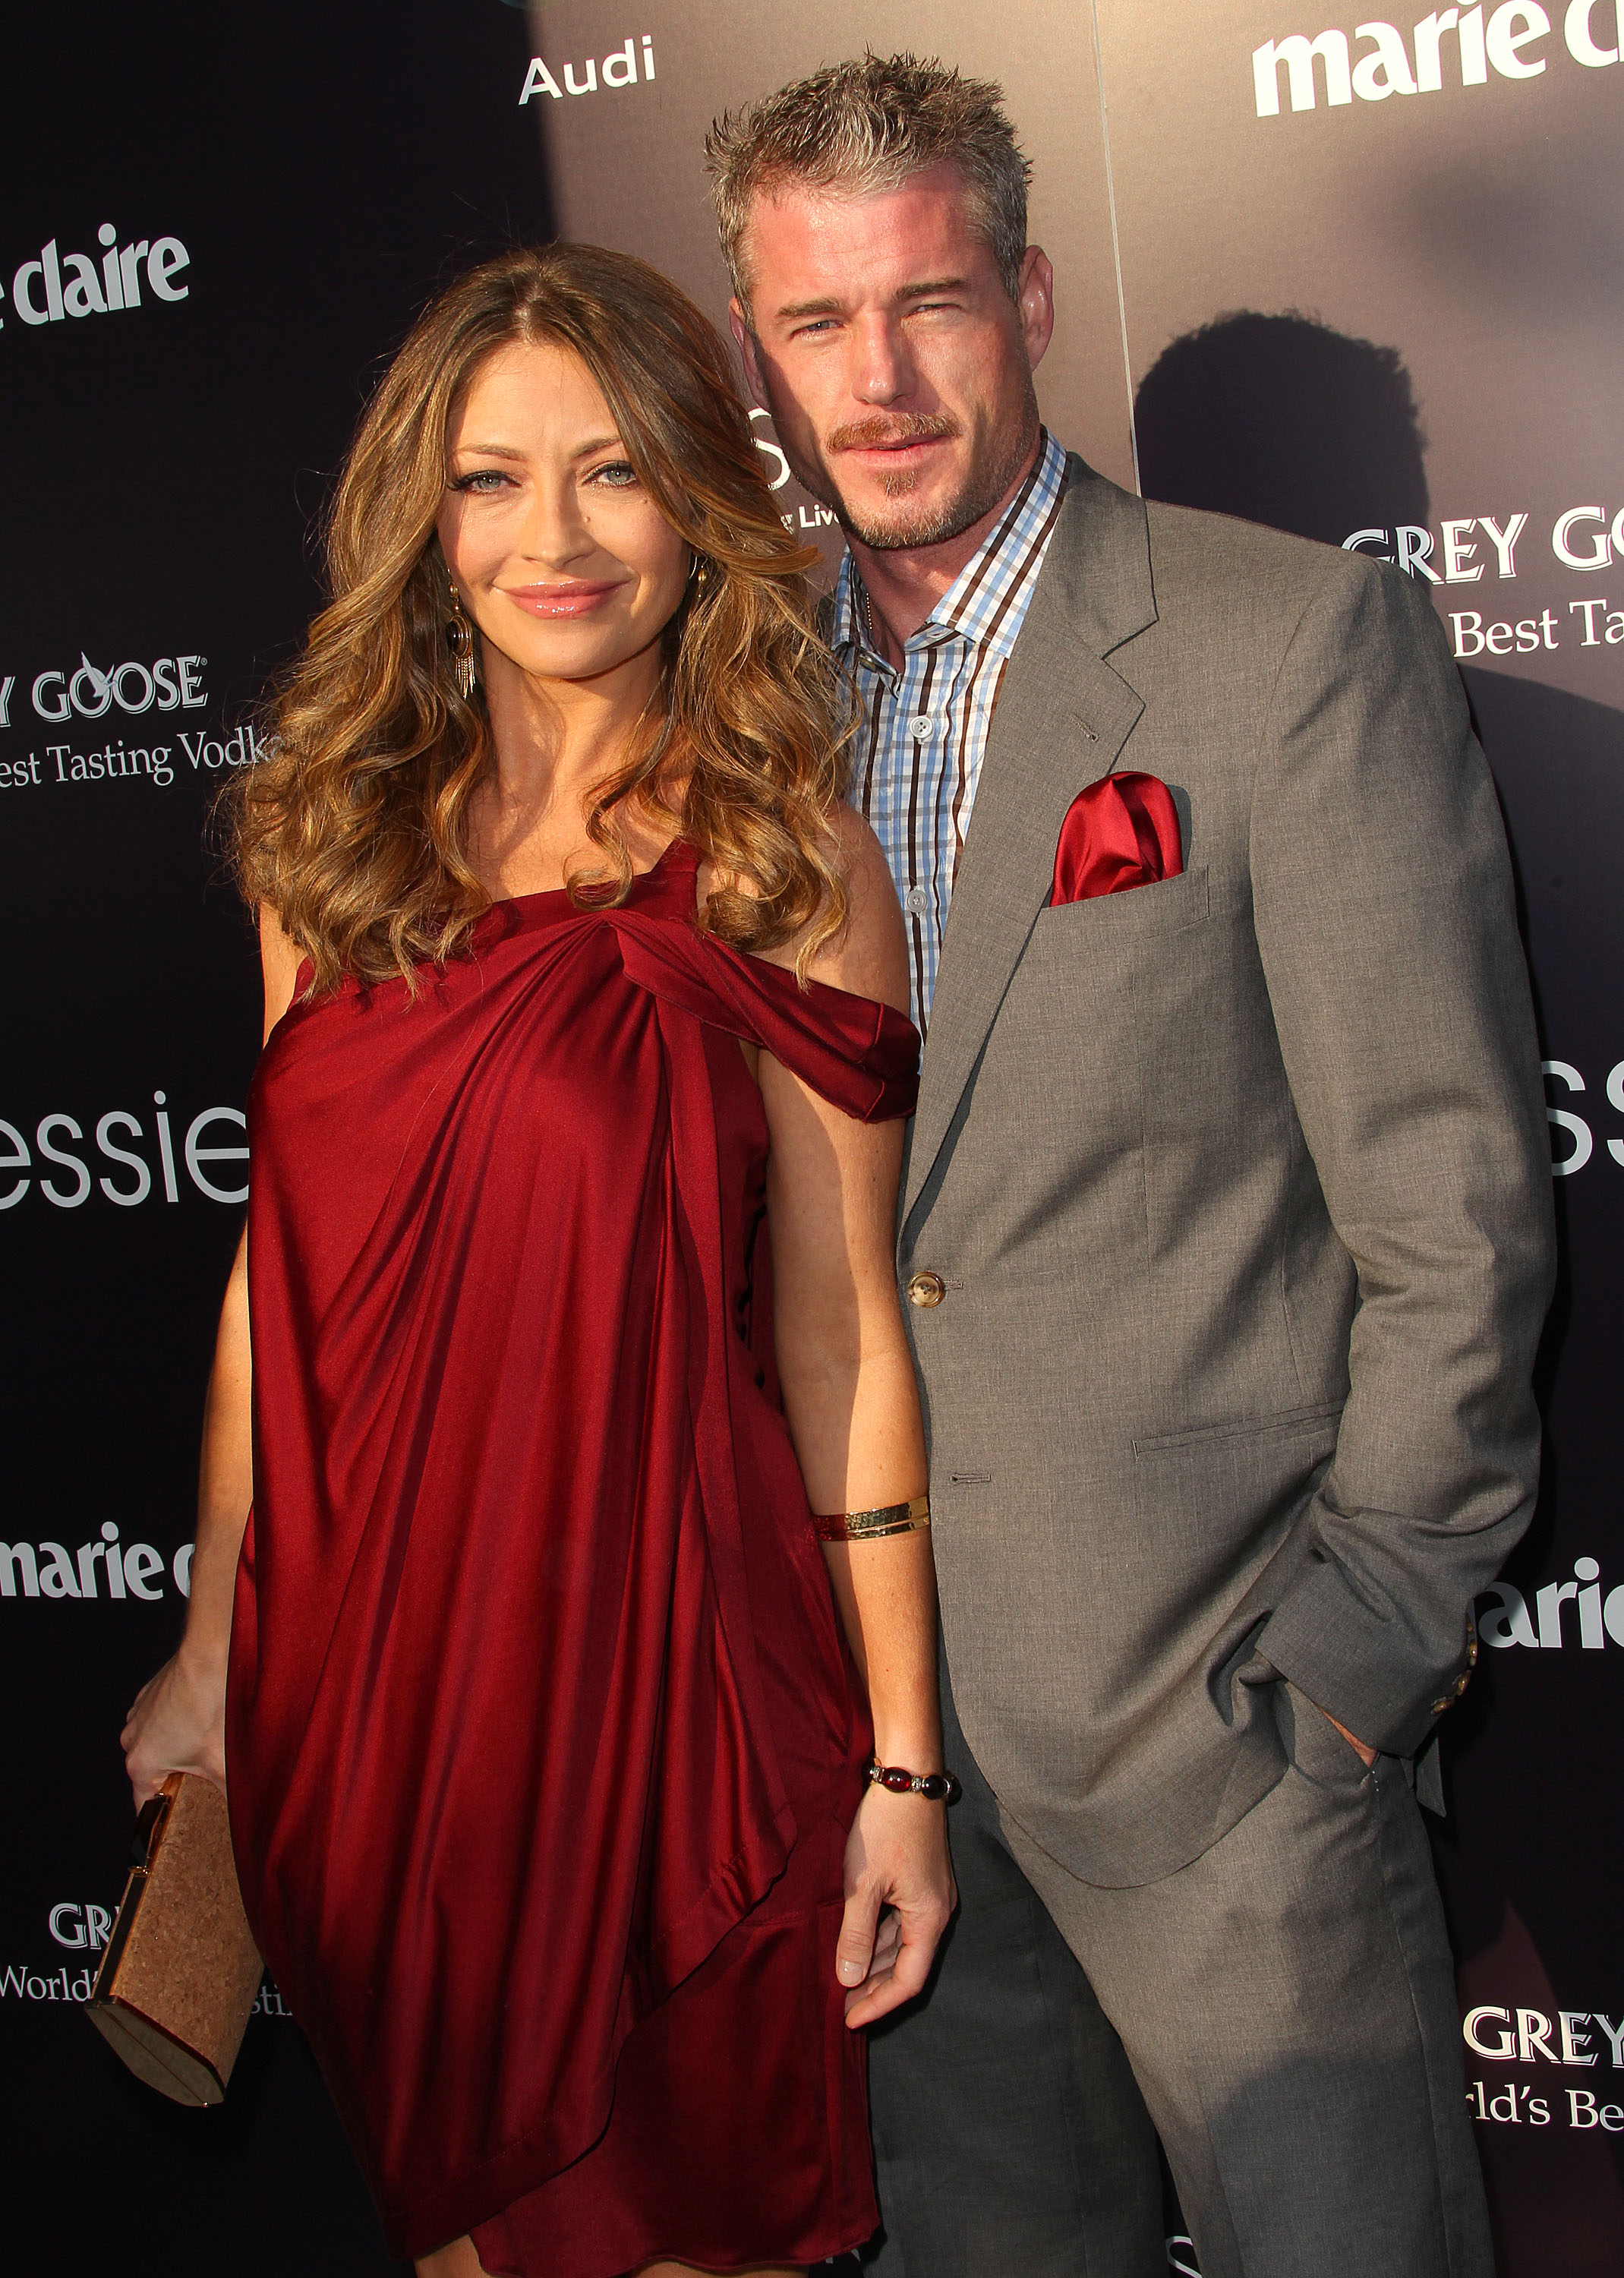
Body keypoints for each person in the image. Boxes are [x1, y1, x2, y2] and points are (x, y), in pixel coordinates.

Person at [706, 54, 1556, 2278]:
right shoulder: (735, 716)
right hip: (878, 1751)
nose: (877, 383)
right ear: (755, 350)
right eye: (815, 323)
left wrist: (1351, 1662)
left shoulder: (1286, 647)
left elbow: (1451, 1212)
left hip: (1228, 1750)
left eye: (930, 305)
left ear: (1030, 300)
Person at [120, 241, 957, 2278]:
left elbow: (844, 1336)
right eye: (491, 480)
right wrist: (218, 1646)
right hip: (379, 1728)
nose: (553, 541)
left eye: (612, 471)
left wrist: (903, 1765)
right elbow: (272, 1289)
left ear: (696, 498)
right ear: (425, 520)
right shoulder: (333, 847)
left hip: (675, 1716)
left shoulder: (777, 861)